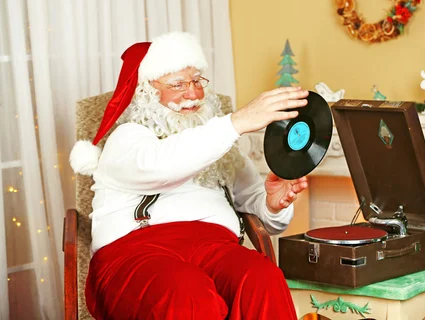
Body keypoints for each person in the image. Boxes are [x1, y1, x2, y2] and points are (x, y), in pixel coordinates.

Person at [69, 31, 309, 320]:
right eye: (178, 84)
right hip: (138, 251)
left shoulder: (219, 144)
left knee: (263, 278)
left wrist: (272, 204)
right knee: (186, 293)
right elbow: (165, 164)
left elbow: (262, 215)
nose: (193, 94)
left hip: (216, 247)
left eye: (197, 81)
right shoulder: (127, 138)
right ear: (147, 90)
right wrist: (237, 122)